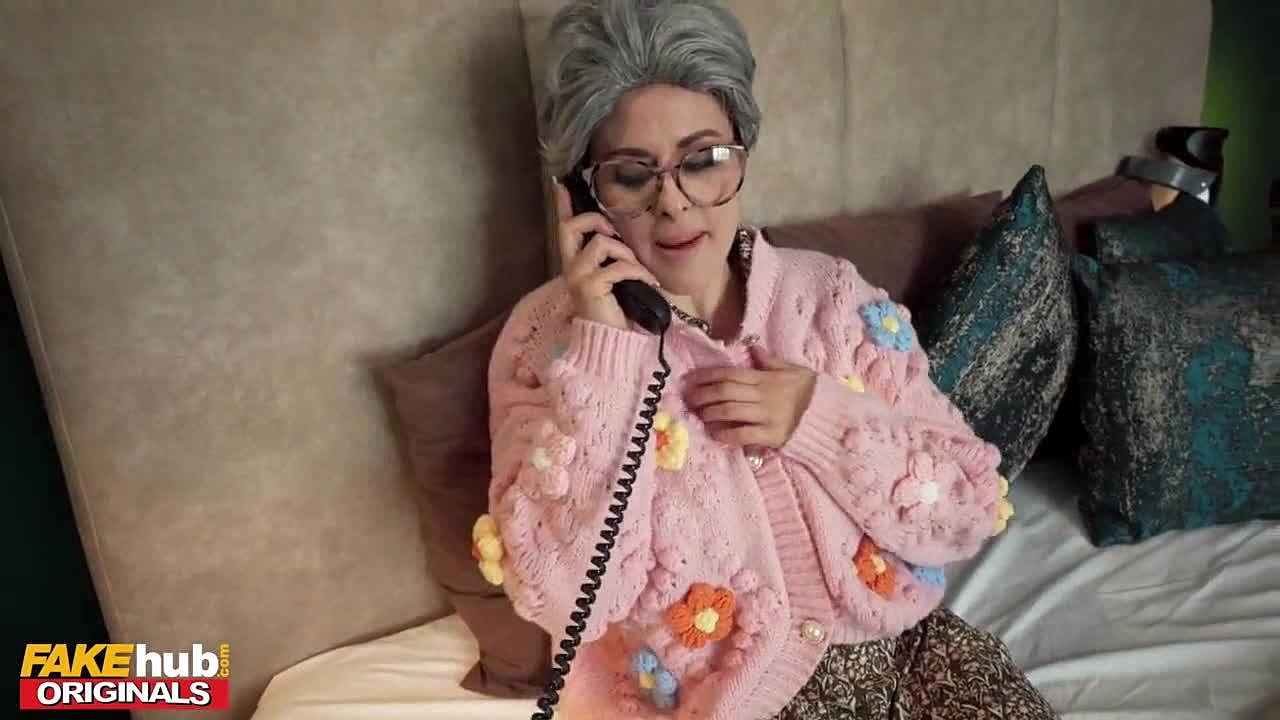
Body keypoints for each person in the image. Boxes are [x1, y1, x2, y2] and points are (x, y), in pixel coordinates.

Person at [484, 1, 1055, 718]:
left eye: (703, 161)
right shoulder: (545, 342)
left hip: (915, 657)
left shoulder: (833, 298)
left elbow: (968, 507)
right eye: (632, 175)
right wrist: (605, 355)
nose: (674, 203)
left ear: (742, 152)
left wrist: (821, 422)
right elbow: (565, 597)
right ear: (581, 194)